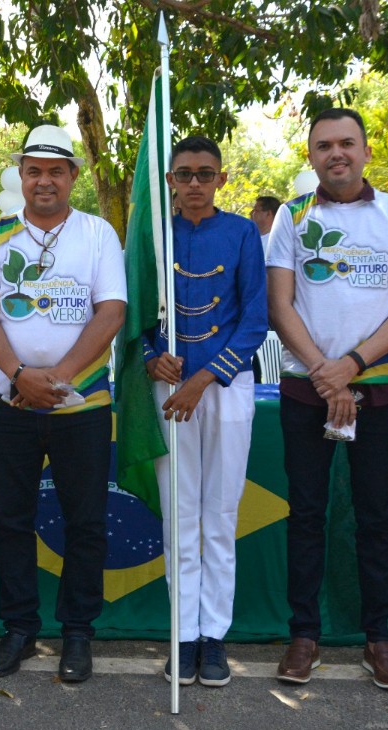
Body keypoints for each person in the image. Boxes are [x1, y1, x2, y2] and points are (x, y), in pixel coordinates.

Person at [267, 108, 388, 691]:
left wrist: (351, 368)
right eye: (323, 145)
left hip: (378, 388)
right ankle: (303, 635)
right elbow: (280, 306)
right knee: (306, 516)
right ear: (310, 156)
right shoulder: (293, 215)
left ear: (365, 151)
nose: (336, 153)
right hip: (304, 389)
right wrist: (322, 372)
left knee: (374, 518)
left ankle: (379, 639)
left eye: (346, 143)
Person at [0, 124, 126, 682]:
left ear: (73, 177)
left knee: (86, 522)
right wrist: (18, 375)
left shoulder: (99, 233)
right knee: (11, 520)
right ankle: (20, 630)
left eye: (56, 170)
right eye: (33, 170)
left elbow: (110, 313)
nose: (44, 181)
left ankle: (78, 633)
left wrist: (55, 378)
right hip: (9, 405)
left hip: (80, 407)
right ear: (21, 175)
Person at [143, 137, 266, 686]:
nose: (194, 183)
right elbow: (139, 311)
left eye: (205, 174)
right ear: (170, 180)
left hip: (225, 388)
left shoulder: (241, 233)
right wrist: (151, 356)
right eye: (184, 174)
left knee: (218, 516)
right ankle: (182, 634)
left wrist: (205, 376)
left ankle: (214, 636)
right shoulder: (153, 235)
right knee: (178, 515)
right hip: (169, 390)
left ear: (220, 179)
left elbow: (255, 318)